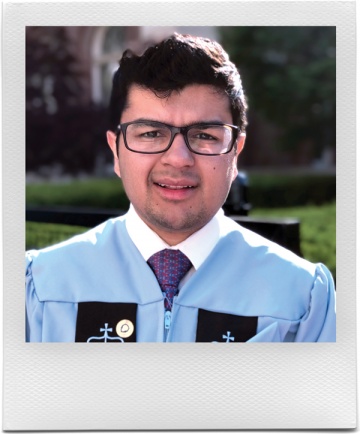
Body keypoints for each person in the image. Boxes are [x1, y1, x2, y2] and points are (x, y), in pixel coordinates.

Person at [25, 33, 336, 343]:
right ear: (116, 150)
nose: (178, 159)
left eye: (204, 135)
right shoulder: (41, 287)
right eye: (150, 133)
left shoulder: (301, 299)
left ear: (235, 152)